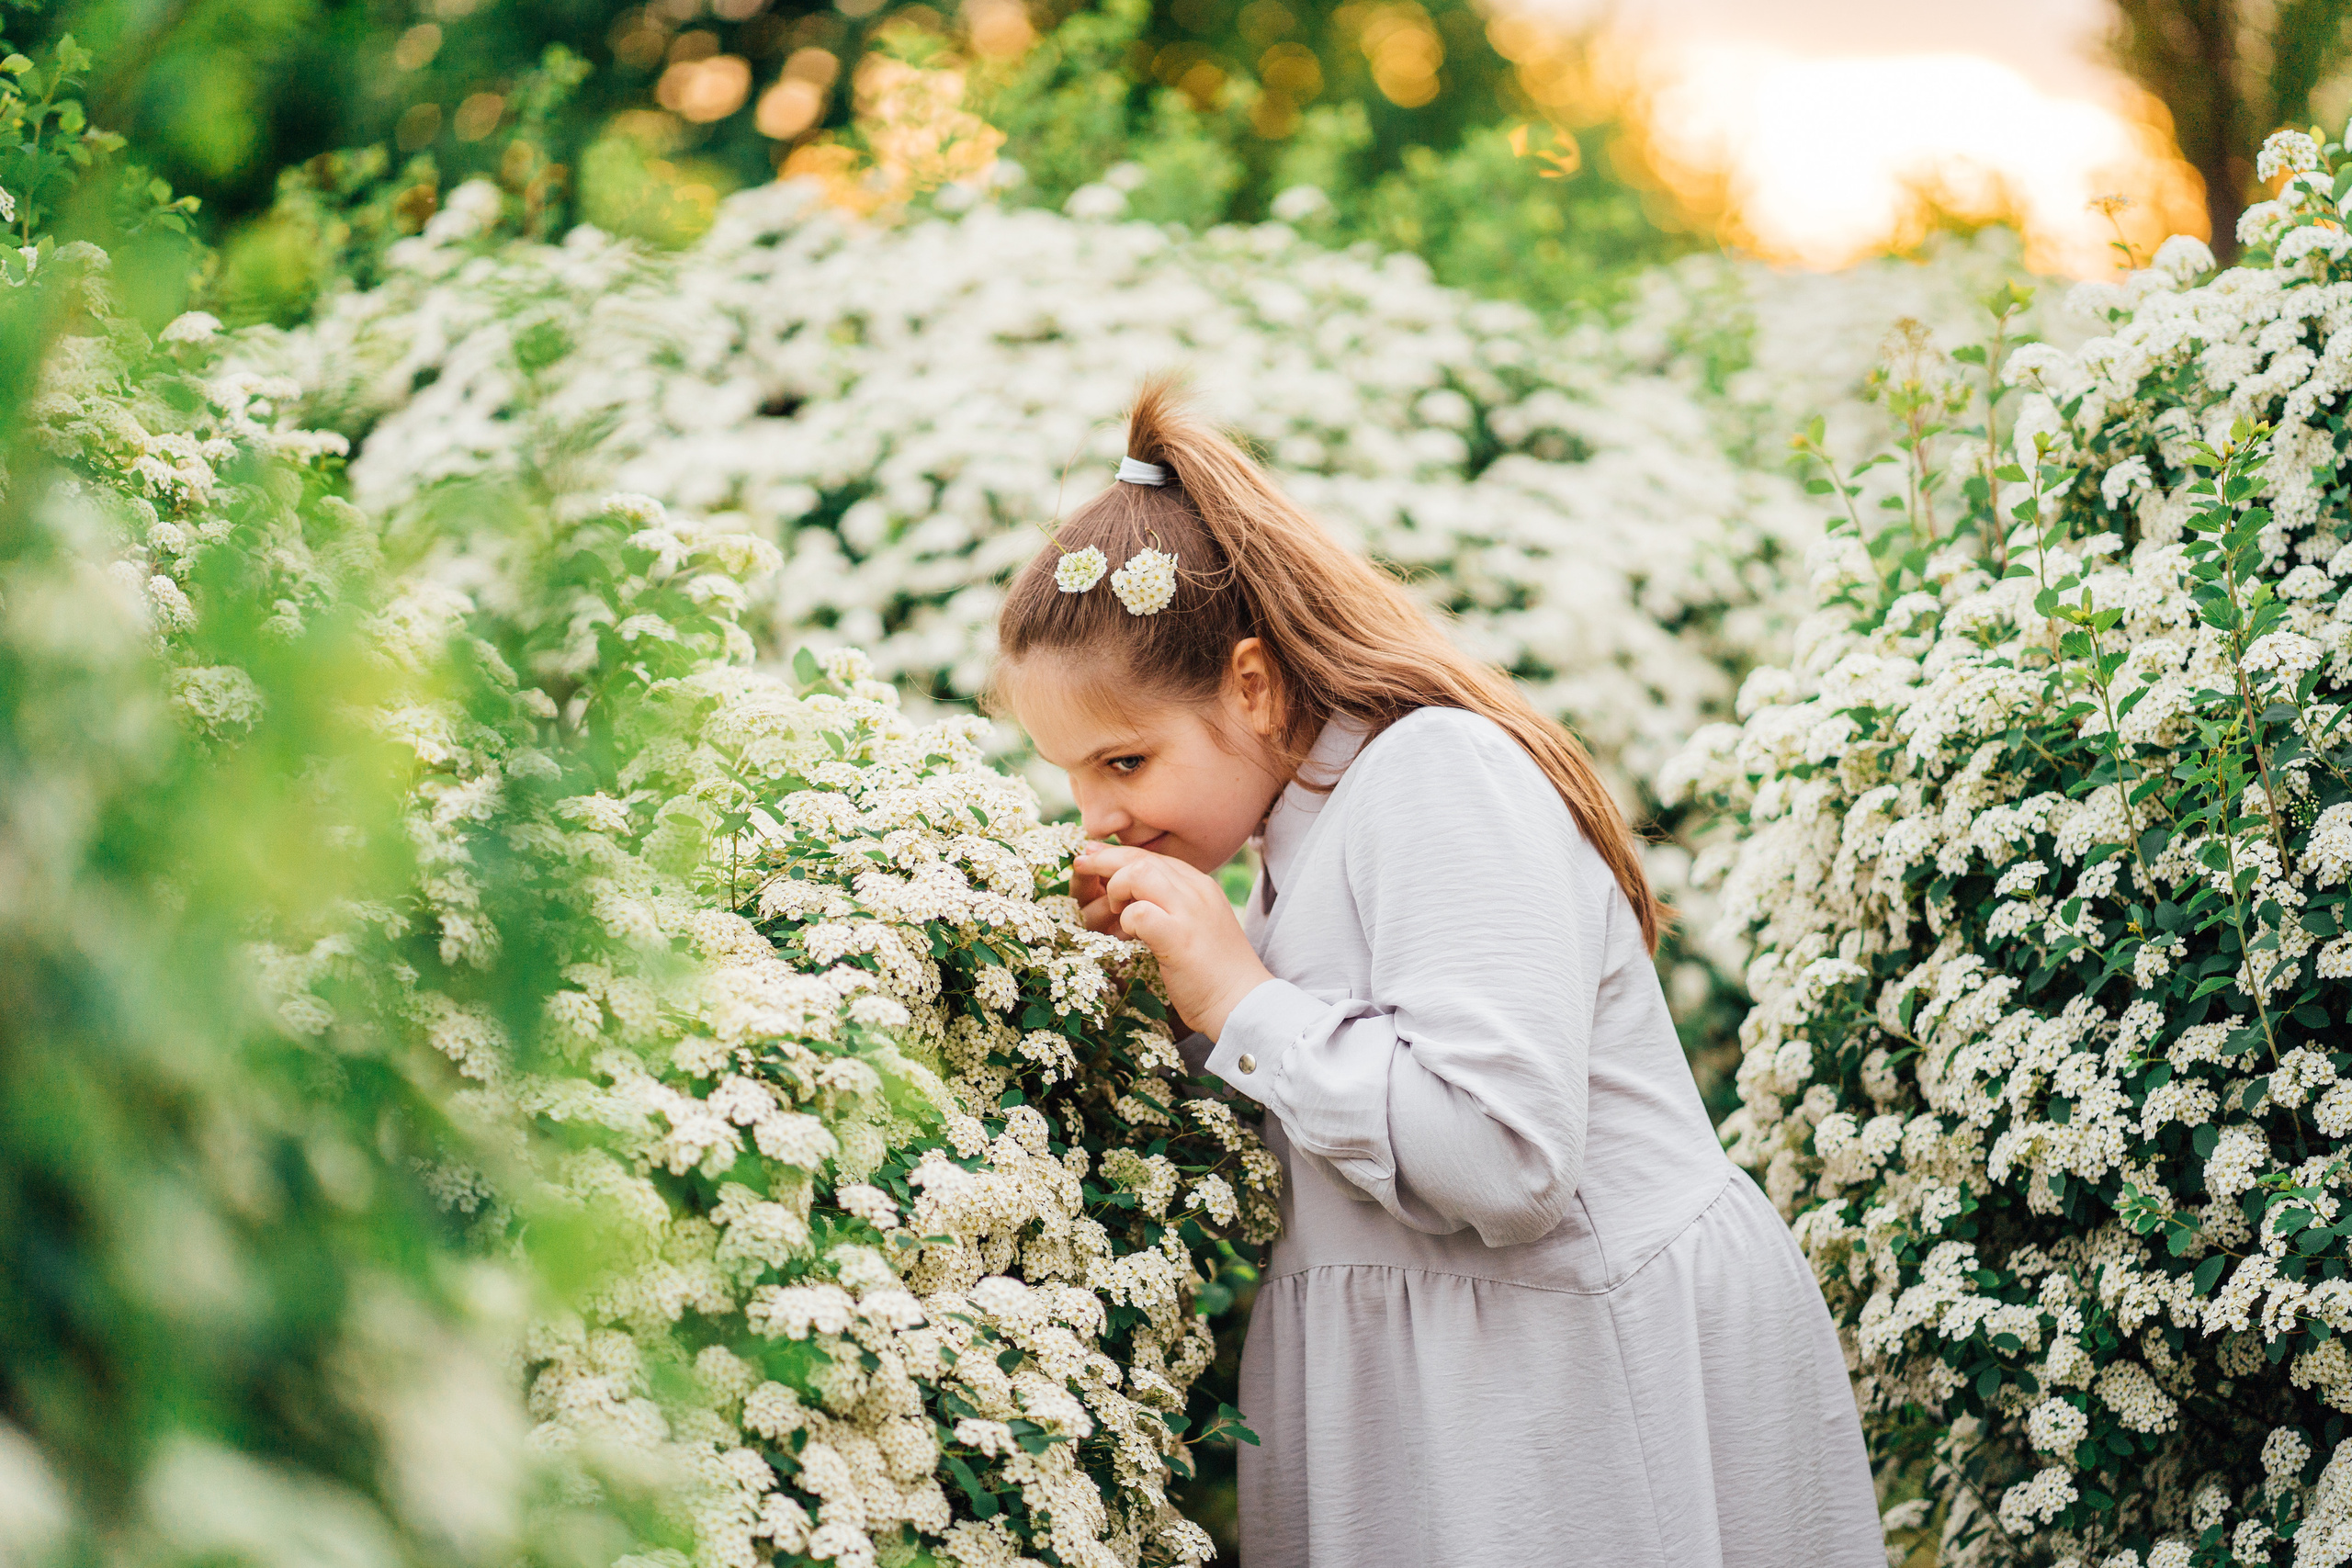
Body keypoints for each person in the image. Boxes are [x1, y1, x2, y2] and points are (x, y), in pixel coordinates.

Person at [989, 375, 1883, 1568]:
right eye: (1072, 776)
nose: (1098, 816)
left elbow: (1505, 1157)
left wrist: (1240, 1001)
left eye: (1125, 761)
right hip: (1452, 1371)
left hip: (1582, 1369)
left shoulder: (1435, 773)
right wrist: (1171, 1009)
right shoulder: (1287, 850)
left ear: (1251, 685)